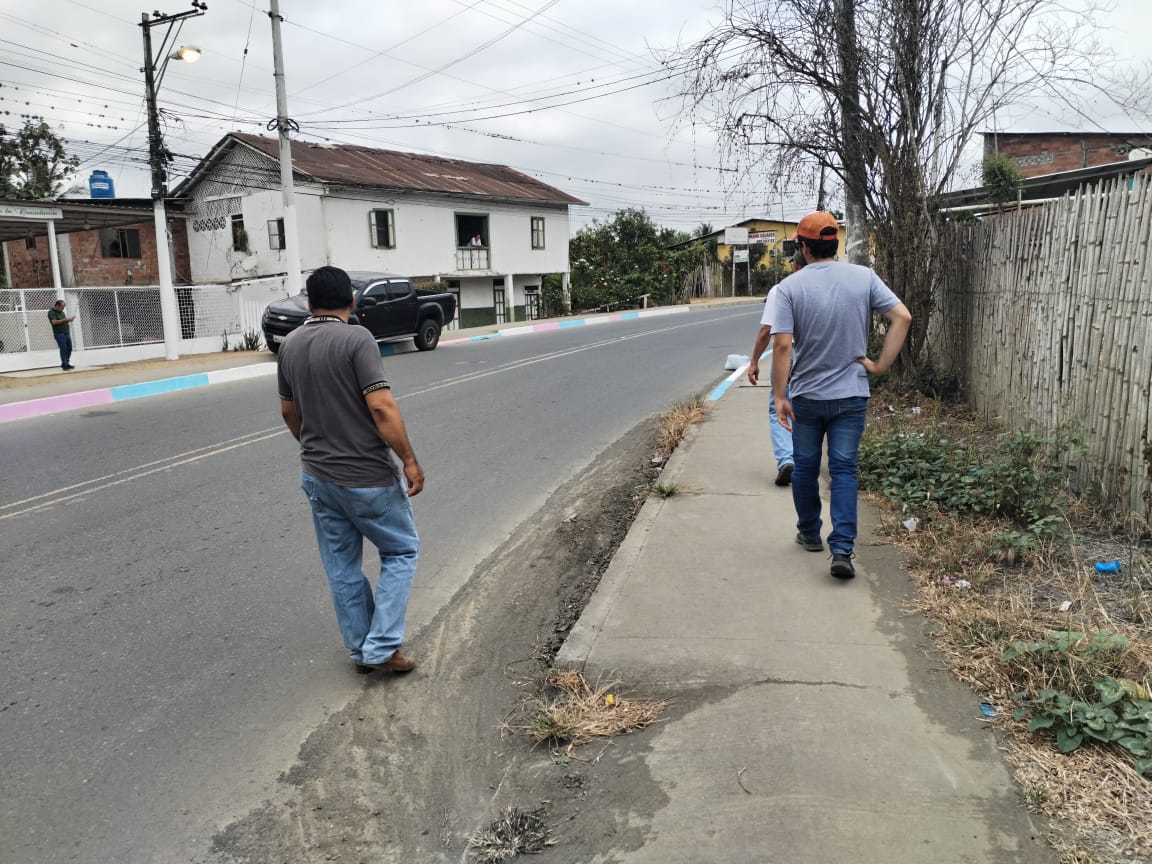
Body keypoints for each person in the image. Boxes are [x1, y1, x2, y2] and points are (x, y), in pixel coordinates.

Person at [277, 266, 426, 673]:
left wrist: (315, 446)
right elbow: (381, 406)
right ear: (352, 300)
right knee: (401, 550)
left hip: (317, 476)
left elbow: (289, 411)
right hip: (366, 476)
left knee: (341, 566)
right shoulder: (358, 339)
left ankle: (362, 651)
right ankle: (381, 648)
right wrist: (409, 461)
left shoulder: (289, 344)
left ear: (310, 303)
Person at [771, 212, 912, 579]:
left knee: (805, 467)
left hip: (807, 396)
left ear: (803, 247)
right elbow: (903, 317)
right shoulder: (864, 277)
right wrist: (879, 366)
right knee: (844, 468)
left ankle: (809, 533)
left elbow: (783, 345)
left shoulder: (789, 287)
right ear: (835, 245)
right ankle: (842, 550)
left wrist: (779, 396)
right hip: (851, 394)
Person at [746, 248, 808, 486]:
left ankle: (786, 459)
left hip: (788, 354)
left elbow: (767, 331)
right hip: (815, 355)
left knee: (778, 407)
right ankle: (812, 460)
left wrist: (754, 361)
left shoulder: (781, 289)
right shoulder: (827, 287)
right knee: (810, 407)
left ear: (796, 265)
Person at [47, 299, 75, 370]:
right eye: (62, 307)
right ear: (57, 306)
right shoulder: (51, 312)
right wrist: (66, 320)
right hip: (59, 333)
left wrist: (69, 320)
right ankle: (65, 364)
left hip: (66, 332)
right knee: (63, 348)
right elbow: (54, 322)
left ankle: (66, 363)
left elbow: (63, 321)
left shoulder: (62, 312)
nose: (63, 309)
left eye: (63, 308)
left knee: (69, 348)